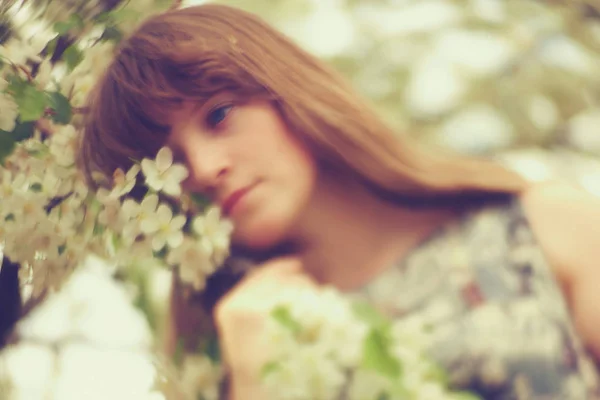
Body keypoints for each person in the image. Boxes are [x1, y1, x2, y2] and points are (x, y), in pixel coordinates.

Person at [78, 4, 600, 399]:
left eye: (219, 114)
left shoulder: (541, 227)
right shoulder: (219, 349)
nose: (205, 169)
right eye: (171, 162)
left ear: (282, 88)